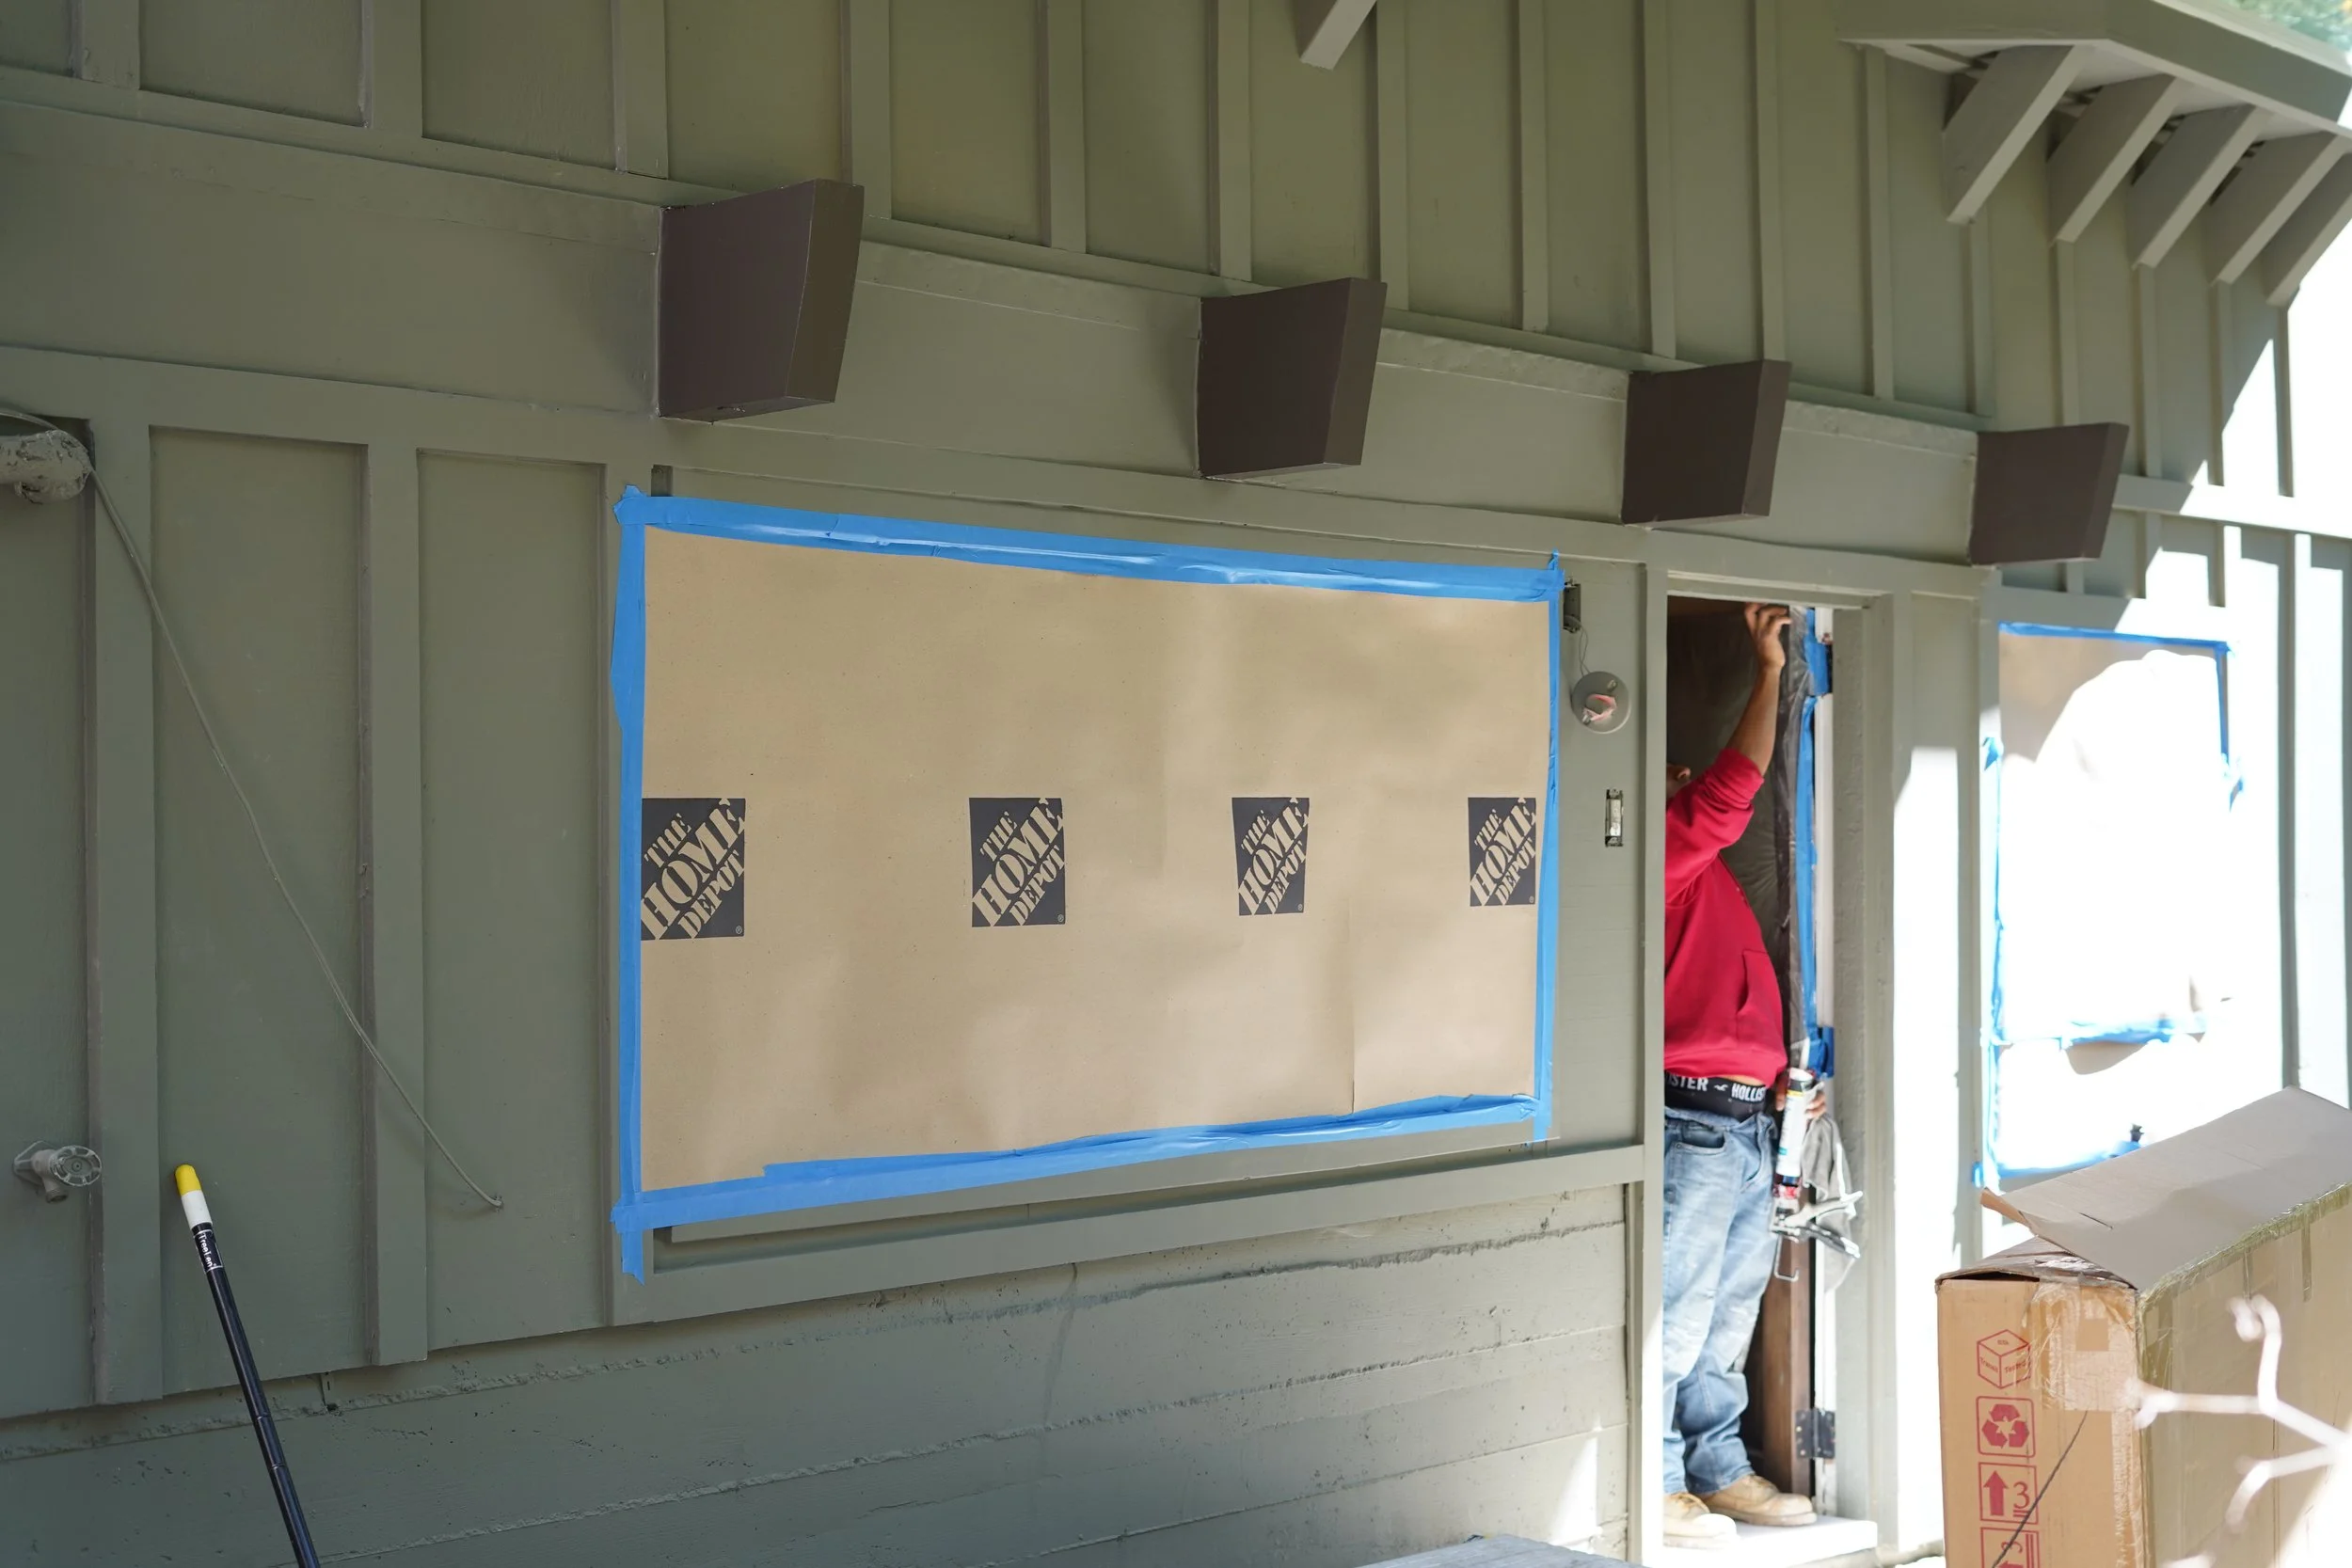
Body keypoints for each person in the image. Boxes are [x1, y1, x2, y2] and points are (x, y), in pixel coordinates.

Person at [1659, 603, 1820, 1546]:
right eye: (1669, 772)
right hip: (1692, 1121)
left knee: (1725, 1318)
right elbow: (1732, 790)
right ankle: (1658, 1481)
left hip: (1746, 1122)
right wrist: (1768, 671)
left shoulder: (1703, 874)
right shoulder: (1660, 856)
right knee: (1679, 1314)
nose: (1685, 772)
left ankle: (1716, 1470)